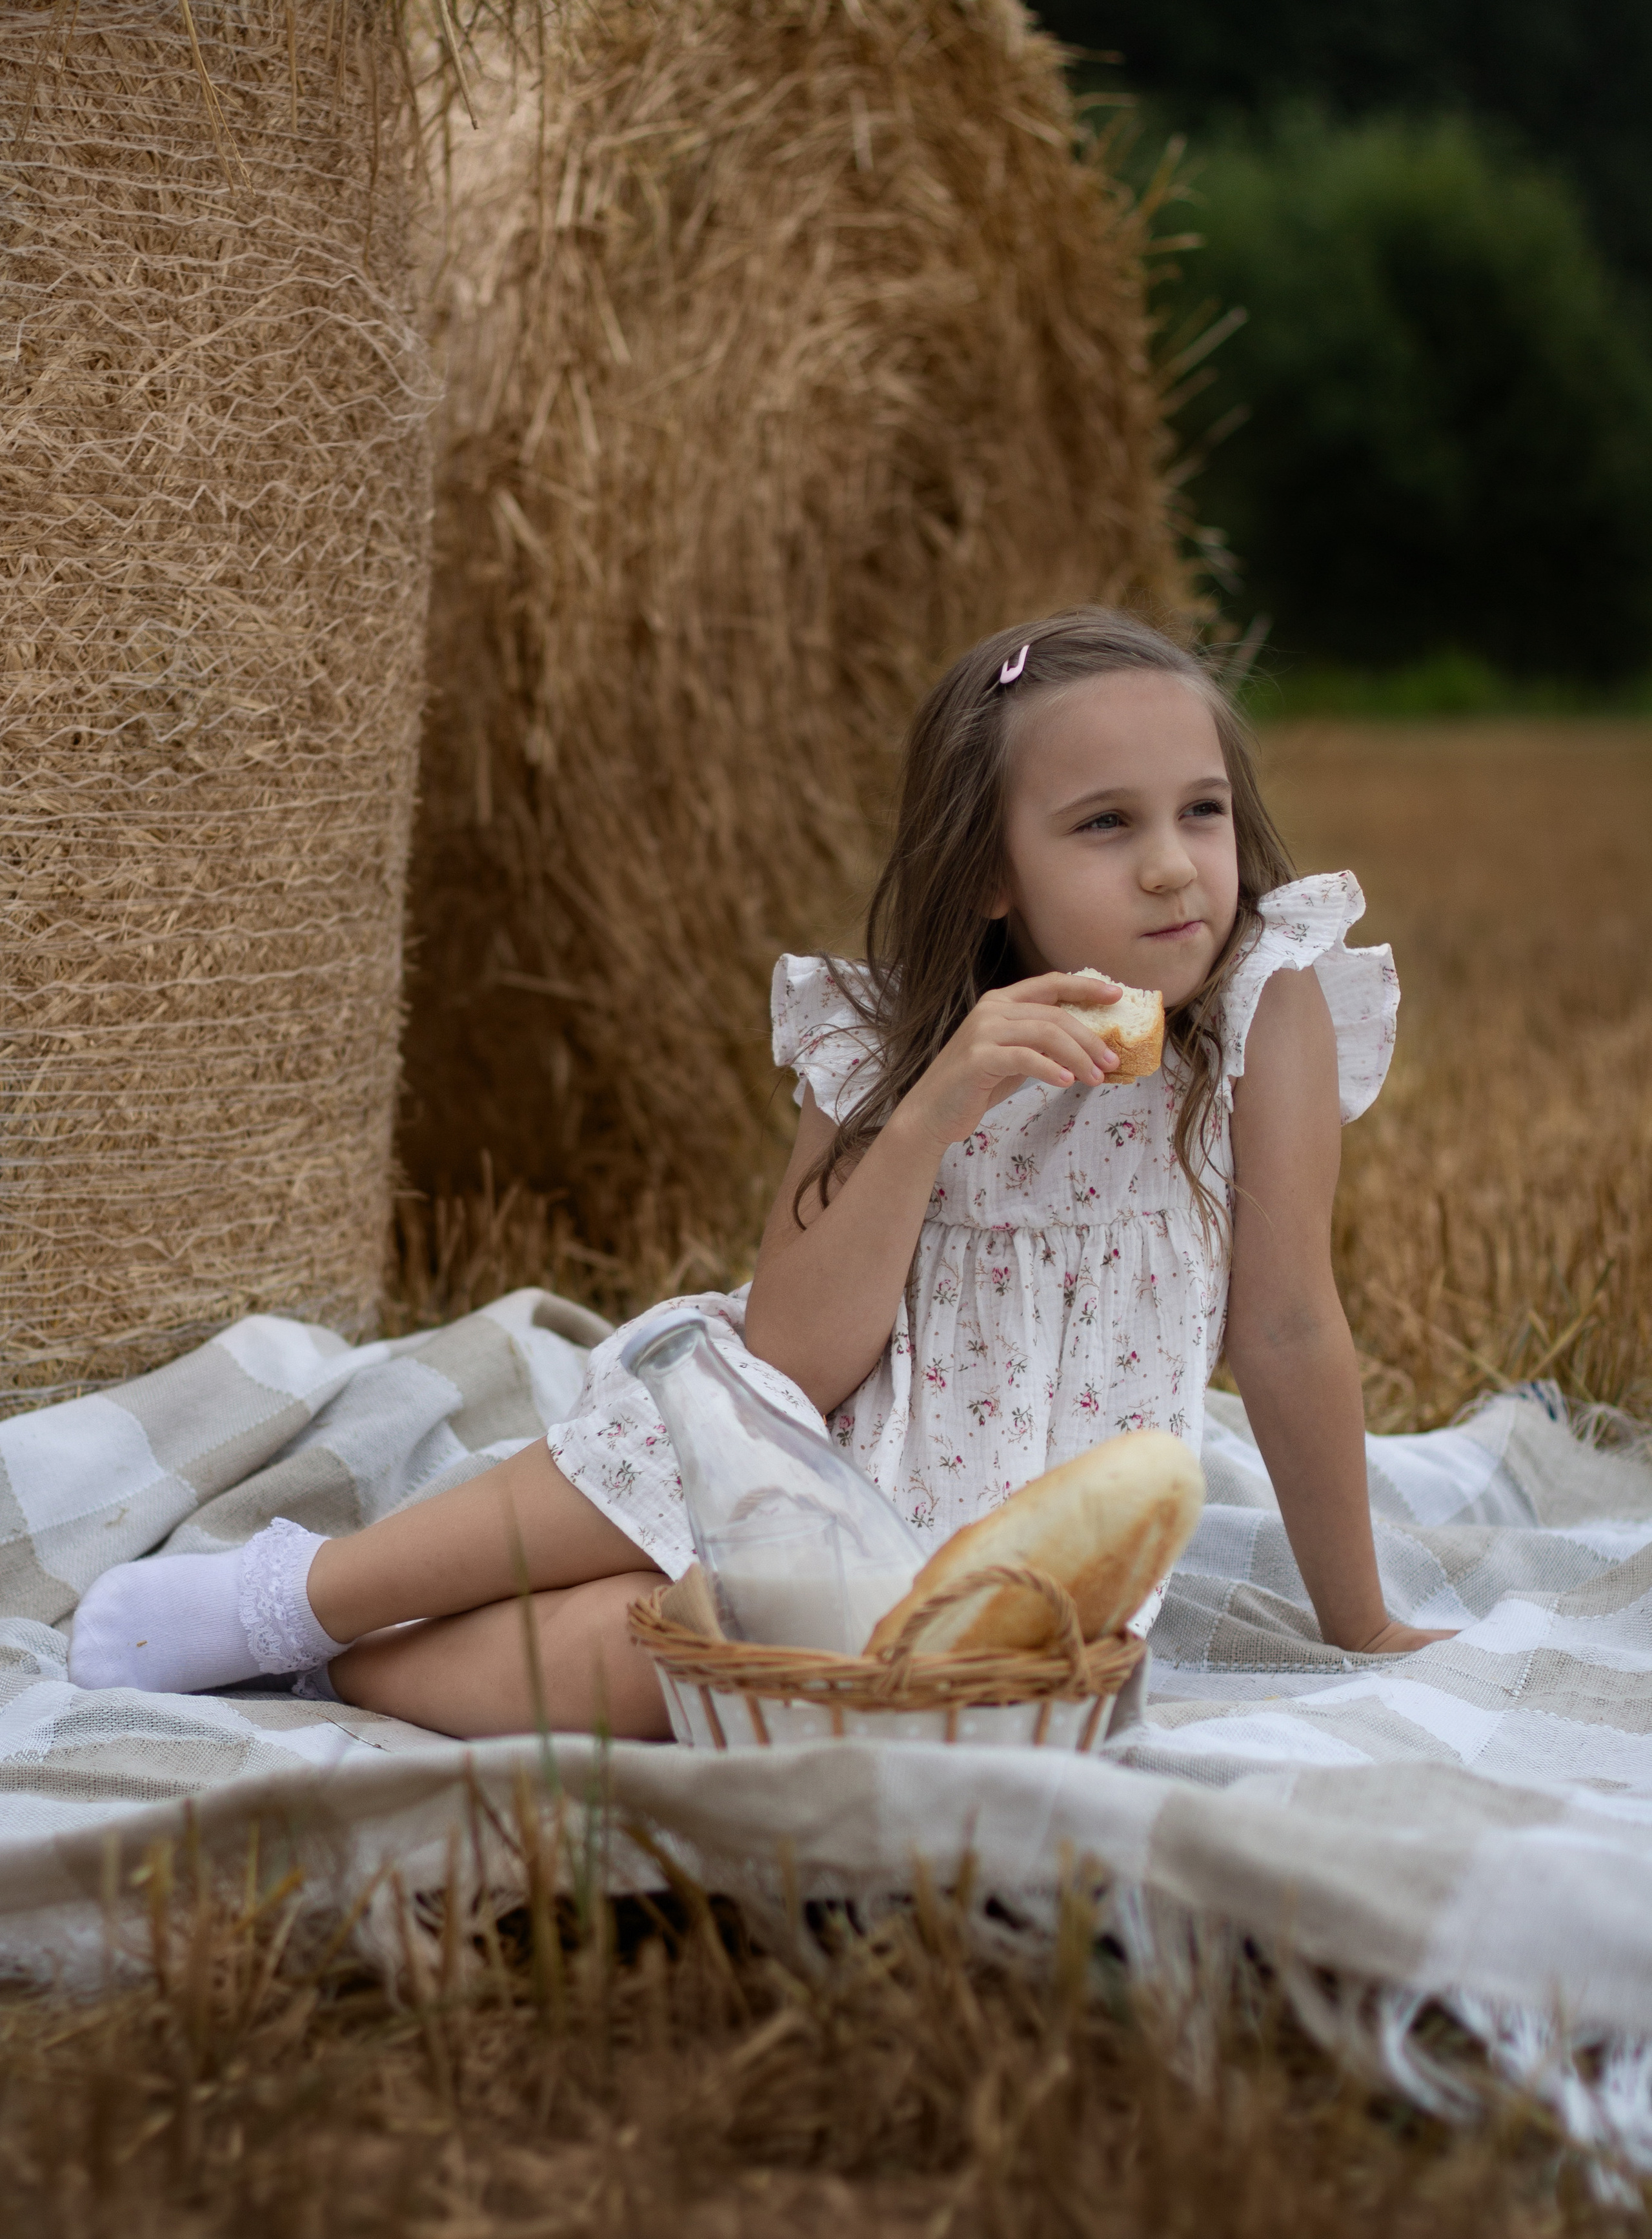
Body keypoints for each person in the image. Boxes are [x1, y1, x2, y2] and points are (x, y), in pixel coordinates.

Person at [71, 606, 1451, 1731]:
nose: (1171, 869)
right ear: (988, 877)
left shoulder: (1265, 1003)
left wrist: (1361, 1620)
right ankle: (300, 1597)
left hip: (991, 1548)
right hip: (809, 1420)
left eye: (1199, 812)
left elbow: (1280, 1324)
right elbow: (795, 1353)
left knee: (682, 1666)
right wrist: (931, 1114)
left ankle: (336, 1671)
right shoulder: (891, 1034)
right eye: (1103, 825)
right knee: (668, 1444)